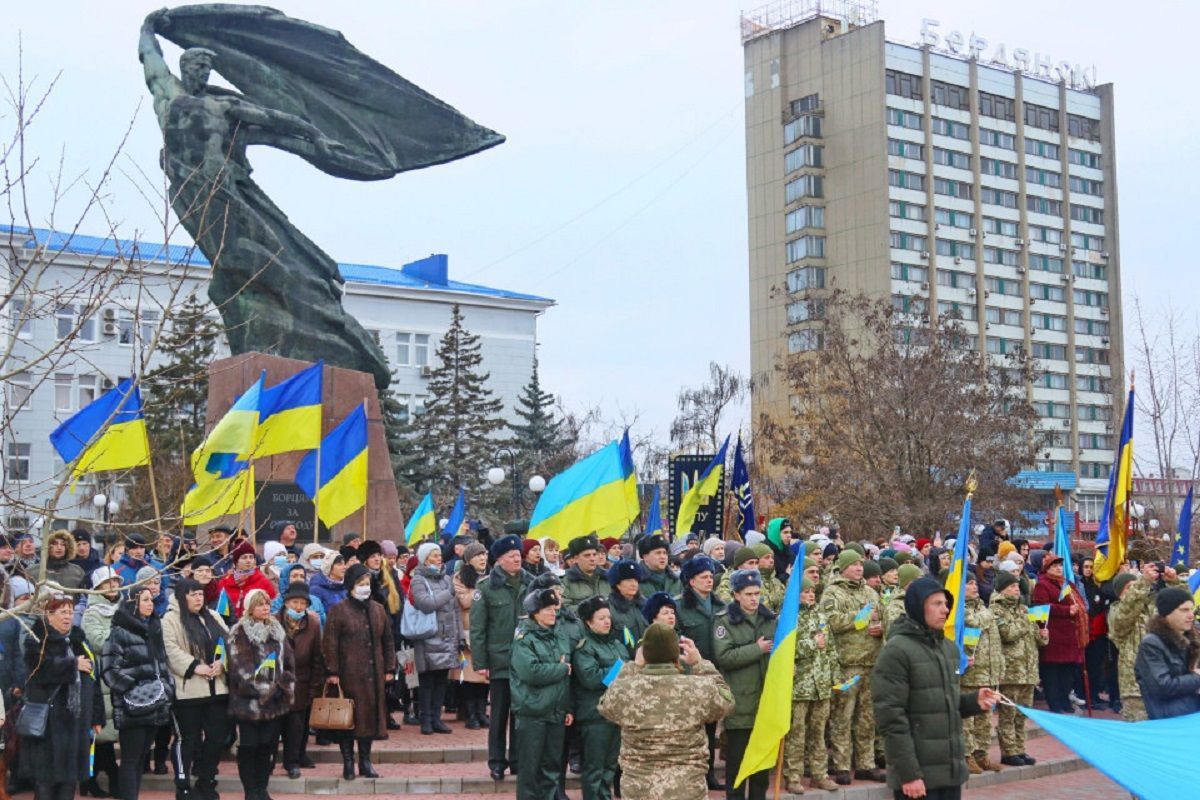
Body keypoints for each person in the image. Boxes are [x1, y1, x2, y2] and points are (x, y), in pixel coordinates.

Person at [872, 577, 998, 800]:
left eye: (946, 604)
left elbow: (941, 702)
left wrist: (973, 701)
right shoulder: (897, 651)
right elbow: (891, 720)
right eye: (936, 604)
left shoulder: (947, 648)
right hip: (917, 777)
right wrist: (908, 775)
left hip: (948, 773)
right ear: (919, 607)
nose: (945, 610)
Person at [599, 623, 734, 800]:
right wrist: (700, 664)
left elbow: (606, 703)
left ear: (645, 654)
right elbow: (727, 701)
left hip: (639, 790)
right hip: (687, 789)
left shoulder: (625, 690)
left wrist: (633, 666)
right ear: (675, 654)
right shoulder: (698, 688)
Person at [21, 594, 105, 800]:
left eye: (71, 612)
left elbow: (93, 680)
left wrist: (96, 716)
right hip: (49, 723)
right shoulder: (37, 640)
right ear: (49, 615)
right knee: (45, 782)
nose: (68, 617)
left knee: (69, 781)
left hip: (75, 721)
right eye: (62, 612)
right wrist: (71, 665)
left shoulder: (79, 640)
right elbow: (38, 671)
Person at [322, 564, 396, 780]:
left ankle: (365, 761)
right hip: (348, 675)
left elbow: (388, 641)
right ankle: (347, 762)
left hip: (374, 676)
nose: (365, 588)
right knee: (348, 719)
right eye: (360, 584)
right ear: (351, 585)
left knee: (369, 720)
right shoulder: (339, 610)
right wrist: (332, 671)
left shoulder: (378, 610)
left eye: (367, 584)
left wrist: (389, 667)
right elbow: (330, 643)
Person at [819, 549, 885, 784]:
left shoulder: (871, 592)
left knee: (867, 717)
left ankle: (866, 764)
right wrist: (861, 617)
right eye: (855, 564)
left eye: (861, 564)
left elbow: (883, 618)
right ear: (844, 567)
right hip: (847, 664)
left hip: (871, 662)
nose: (859, 568)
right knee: (842, 716)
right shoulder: (832, 592)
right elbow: (831, 622)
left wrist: (881, 628)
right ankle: (841, 765)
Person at [470, 535, 533, 782]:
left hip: (526, 662)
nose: (517, 558)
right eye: (511, 556)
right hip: (499, 662)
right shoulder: (486, 588)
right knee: (499, 715)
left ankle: (517, 760)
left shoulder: (532, 584)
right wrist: (481, 663)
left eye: (518, 554)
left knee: (520, 714)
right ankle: (497, 762)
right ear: (499, 560)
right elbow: (477, 629)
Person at [161, 578, 230, 800]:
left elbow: (228, 643)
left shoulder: (214, 617)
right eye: (193, 594)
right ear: (182, 597)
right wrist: (194, 666)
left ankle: (206, 781)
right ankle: (182, 785)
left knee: (217, 737)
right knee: (187, 739)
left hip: (217, 688)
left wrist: (222, 663)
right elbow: (170, 649)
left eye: (200, 593)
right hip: (188, 690)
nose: (198, 598)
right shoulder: (170, 619)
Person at [100, 588, 171, 800]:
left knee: (140, 758)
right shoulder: (119, 632)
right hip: (132, 706)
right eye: (146, 600)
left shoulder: (154, 628)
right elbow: (110, 670)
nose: (151, 604)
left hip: (155, 702)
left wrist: (166, 688)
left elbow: (163, 664)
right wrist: (134, 688)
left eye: (152, 600)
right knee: (131, 759)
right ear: (133, 603)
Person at [713, 569, 775, 800]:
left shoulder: (770, 620)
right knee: (737, 767)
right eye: (748, 594)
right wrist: (756, 649)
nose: (754, 598)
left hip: (765, 703)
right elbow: (724, 657)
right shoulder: (724, 621)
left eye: (757, 593)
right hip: (740, 703)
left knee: (760, 771)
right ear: (736, 595)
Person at [226, 589, 295, 800]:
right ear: (249, 608)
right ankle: (251, 790)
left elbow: (289, 664)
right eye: (259, 604)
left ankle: (262, 788)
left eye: (267, 603)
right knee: (249, 747)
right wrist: (263, 688)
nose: (265, 608)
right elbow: (239, 668)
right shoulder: (238, 632)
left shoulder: (278, 631)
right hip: (248, 703)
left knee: (268, 746)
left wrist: (283, 687)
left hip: (274, 702)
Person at [510, 588, 573, 800]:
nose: (553, 613)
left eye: (554, 609)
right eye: (547, 609)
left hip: (556, 710)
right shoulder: (524, 638)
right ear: (535, 613)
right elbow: (531, 672)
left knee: (552, 769)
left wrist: (567, 707)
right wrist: (560, 668)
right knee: (530, 770)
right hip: (533, 711)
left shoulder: (559, 636)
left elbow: (567, 678)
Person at [782, 578, 841, 794]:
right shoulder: (788, 618)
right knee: (796, 734)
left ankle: (820, 775)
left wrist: (835, 677)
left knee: (818, 733)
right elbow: (785, 650)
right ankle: (793, 776)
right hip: (799, 686)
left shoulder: (821, 617)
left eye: (812, 591)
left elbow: (831, 649)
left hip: (821, 685)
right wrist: (811, 644)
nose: (810, 595)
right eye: (805, 591)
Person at [571, 597, 625, 800]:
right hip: (595, 714)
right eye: (601, 618)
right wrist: (619, 670)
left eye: (608, 617)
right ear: (588, 622)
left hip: (615, 712)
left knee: (610, 766)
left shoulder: (616, 643)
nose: (607, 621)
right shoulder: (584, 647)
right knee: (594, 768)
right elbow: (592, 678)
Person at [991, 571, 1045, 767]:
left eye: (1017, 586)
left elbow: (1035, 639)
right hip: (1011, 671)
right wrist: (1025, 621)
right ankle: (1008, 751)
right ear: (1003, 589)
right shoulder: (997, 610)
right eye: (1012, 586)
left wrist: (1042, 633)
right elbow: (1008, 634)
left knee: (1022, 715)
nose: (1016, 590)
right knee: (1009, 714)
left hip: (1027, 670)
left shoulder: (1023, 609)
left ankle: (1021, 749)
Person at [409, 541, 462, 735]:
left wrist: (459, 635)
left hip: (447, 637)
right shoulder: (418, 579)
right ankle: (426, 720)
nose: (439, 559)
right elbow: (425, 604)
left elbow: (455, 610)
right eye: (434, 556)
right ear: (425, 559)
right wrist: (448, 593)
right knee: (427, 681)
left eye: (439, 555)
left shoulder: (447, 579)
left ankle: (436, 718)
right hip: (428, 636)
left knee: (442, 680)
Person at [80, 568, 123, 798]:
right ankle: (96, 778)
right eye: (107, 582)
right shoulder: (91, 612)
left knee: (111, 732)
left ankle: (95, 779)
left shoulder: (124, 607)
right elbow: (97, 641)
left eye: (114, 580)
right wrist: (122, 636)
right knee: (102, 732)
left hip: (121, 675)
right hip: (103, 676)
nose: (112, 585)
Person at [276, 582, 323, 779]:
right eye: (295, 602)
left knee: (297, 725)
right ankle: (270, 761)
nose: (298, 607)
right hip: (278, 682)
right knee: (277, 724)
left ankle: (292, 762)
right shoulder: (274, 622)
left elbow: (317, 657)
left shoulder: (312, 623)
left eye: (302, 603)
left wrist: (315, 685)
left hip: (302, 681)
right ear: (286, 602)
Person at [958, 573, 1002, 774]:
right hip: (970, 672)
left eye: (975, 582)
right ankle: (966, 755)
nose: (974, 586)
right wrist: (990, 614)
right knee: (967, 720)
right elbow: (974, 622)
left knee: (985, 718)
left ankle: (981, 754)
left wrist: (999, 666)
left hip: (988, 671)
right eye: (968, 583)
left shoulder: (983, 608)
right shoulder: (960, 609)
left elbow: (995, 640)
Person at [1134, 587, 1200, 719]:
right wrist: (1197, 679)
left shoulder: (1192, 641)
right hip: (1171, 721)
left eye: (1191, 609)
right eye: (1184, 610)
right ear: (1167, 613)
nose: (1191, 615)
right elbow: (1162, 687)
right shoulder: (1151, 644)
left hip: (1192, 716)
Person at [1032, 552, 1085, 713]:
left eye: (1060, 566)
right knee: (1052, 673)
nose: (1058, 569)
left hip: (1069, 636)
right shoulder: (1042, 585)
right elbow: (1041, 608)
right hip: (1053, 636)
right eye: (1054, 566)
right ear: (1046, 568)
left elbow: (1079, 601)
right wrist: (1066, 610)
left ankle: (1064, 701)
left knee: (1067, 672)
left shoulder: (1066, 584)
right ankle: (1055, 704)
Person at [1107, 568, 1156, 721]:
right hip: (1135, 690)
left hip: (1157, 684)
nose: (1135, 590)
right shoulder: (1116, 611)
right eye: (1130, 587)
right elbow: (1125, 615)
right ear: (1120, 592)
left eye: (1136, 585)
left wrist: (1174, 583)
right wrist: (1143, 583)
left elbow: (1176, 610)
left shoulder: (1149, 610)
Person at [452, 542, 490, 730]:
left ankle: (482, 712)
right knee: (469, 676)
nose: (483, 558)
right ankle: (471, 714)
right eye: (478, 555)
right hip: (468, 631)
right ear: (469, 559)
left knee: (485, 676)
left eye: (484, 554)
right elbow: (465, 601)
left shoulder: (492, 575)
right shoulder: (459, 578)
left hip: (488, 630)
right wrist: (483, 590)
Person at [215, 540, 277, 619]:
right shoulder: (224, 583)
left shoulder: (263, 582)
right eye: (244, 557)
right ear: (236, 561)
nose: (248, 560)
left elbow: (272, 609)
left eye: (251, 557)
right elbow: (221, 613)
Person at [605, 560, 645, 656]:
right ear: (617, 584)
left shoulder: (645, 605)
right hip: (624, 663)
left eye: (636, 580)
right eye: (628, 580)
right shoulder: (608, 609)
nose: (634, 584)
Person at [561, 535, 609, 611]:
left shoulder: (607, 577)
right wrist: (589, 610)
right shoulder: (566, 581)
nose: (592, 559)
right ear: (575, 559)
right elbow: (563, 608)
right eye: (587, 555)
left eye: (594, 554)